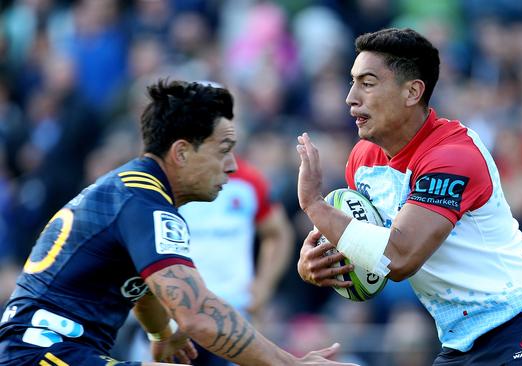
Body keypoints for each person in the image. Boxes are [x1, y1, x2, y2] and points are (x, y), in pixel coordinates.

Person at [0, 79, 357, 366]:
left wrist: (161, 334)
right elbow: (198, 314)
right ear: (182, 152)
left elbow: (143, 282)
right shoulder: (144, 205)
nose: (232, 166)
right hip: (44, 352)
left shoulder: (136, 192)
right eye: (223, 150)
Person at [295, 28, 522, 365]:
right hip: (460, 344)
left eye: (368, 83)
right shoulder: (362, 160)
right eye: (352, 82)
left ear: (412, 92)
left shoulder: (452, 155)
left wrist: (314, 206)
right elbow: (369, 248)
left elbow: (398, 257)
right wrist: (318, 261)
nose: (351, 97)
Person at [178, 155, 294, 365]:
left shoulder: (249, 180)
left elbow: (278, 233)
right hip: (179, 314)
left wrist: (264, 285)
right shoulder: (173, 181)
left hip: (235, 313)